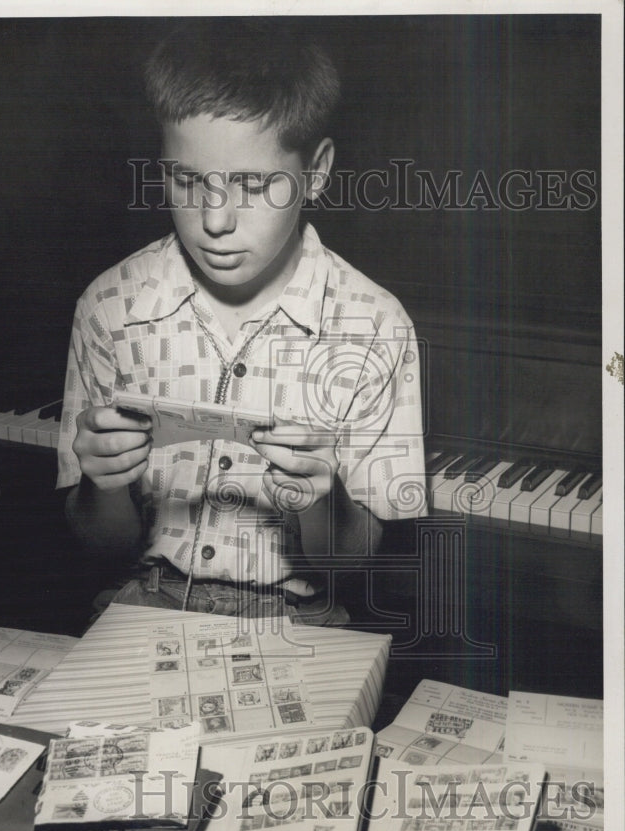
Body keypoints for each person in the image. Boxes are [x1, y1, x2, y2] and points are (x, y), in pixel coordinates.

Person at [57, 19, 426, 623]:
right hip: (140, 601)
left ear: (317, 170)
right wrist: (103, 486)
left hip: (299, 618)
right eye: (186, 180)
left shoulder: (376, 325)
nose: (216, 220)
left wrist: (324, 502)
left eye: (252, 184)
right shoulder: (110, 306)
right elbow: (101, 547)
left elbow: (350, 565)